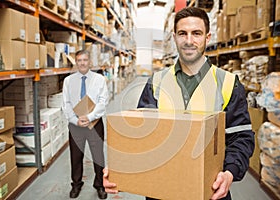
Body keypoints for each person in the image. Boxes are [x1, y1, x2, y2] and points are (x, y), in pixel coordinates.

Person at [103, 7, 255, 200]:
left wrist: (229, 173)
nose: (189, 41)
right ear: (174, 37)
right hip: (161, 190)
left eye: (196, 34)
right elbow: (141, 137)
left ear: (207, 38)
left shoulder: (227, 83)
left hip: (208, 191)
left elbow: (241, 137)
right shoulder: (156, 82)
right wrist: (121, 169)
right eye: (183, 33)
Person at [62, 50, 108, 199]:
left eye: (85, 60)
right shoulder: (68, 81)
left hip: (94, 123)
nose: (82, 63)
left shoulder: (99, 79)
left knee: (98, 156)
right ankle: (76, 184)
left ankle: (100, 184)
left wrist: (89, 117)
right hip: (75, 125)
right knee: (76, 156)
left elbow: (103, 101)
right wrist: (75, 120)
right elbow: (66, 103)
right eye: (79, 60)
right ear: (76, 62)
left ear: (90, 62)